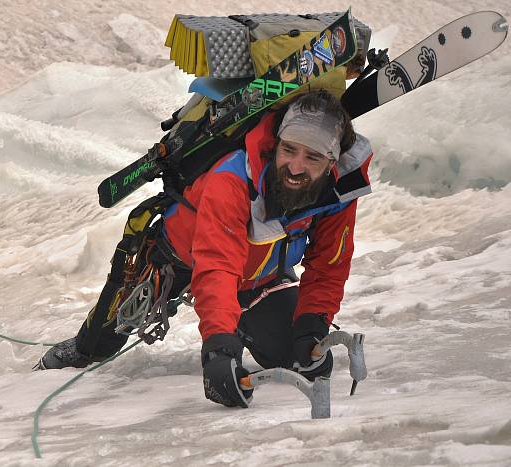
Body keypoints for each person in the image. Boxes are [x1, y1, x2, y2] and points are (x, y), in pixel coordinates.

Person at [36, 89, 373, 409]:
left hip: (259, 273)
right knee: (99, 345)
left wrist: (312, 324)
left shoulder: (337, 192)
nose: (296, 167)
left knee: (298, 355)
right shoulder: (232, 179)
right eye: (289, 150)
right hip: (177, 260)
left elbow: (330, 263)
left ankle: (241, 318)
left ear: (332, 161)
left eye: (312, 156)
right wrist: (218, 348)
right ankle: (75, 352)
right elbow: (217, 265)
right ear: (277, 145)